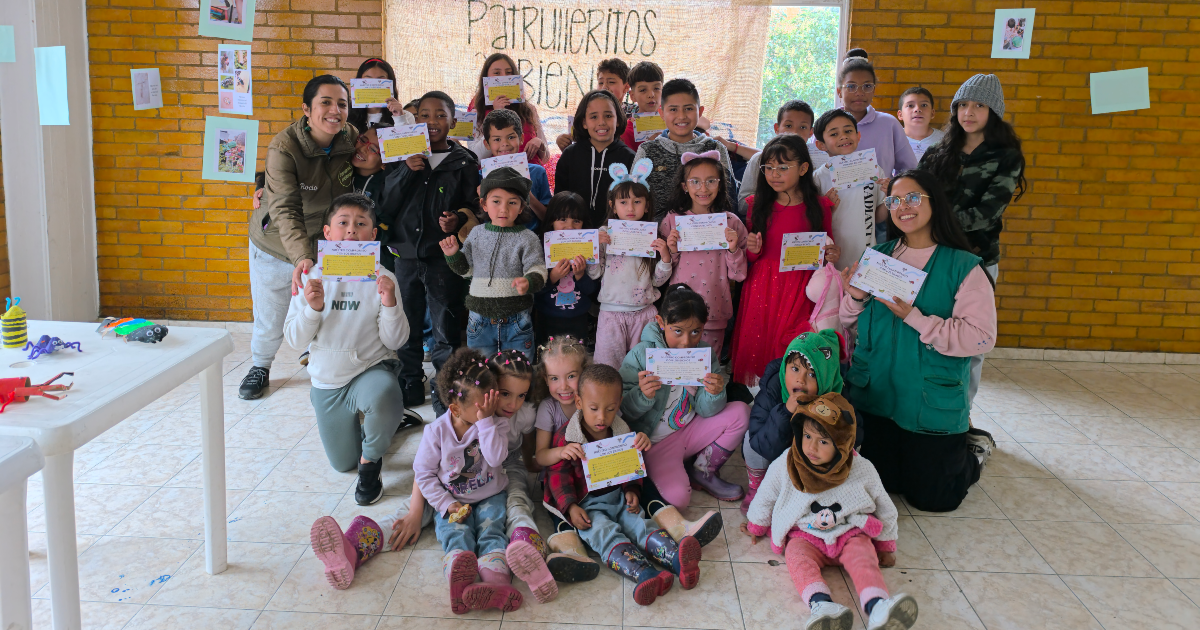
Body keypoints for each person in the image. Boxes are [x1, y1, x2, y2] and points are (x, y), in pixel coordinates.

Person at [839, 170, 998, 513]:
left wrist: (915, 317)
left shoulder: (964, 266)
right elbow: (849, 324)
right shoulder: (878, 255)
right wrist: (854, 297)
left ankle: (971, 455)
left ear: (934, 202)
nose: (902, 207)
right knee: (886, 486)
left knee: (934, 499)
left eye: (913, 197)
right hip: (877, 399)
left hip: (930, 404)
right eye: (894, 200)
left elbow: (981, 337)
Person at [283, 192, 420, 499]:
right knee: (342, 464)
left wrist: (390, 303)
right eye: (343, 223)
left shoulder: (383, 278)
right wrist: (312, 309)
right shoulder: (310, 278)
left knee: (384, 394)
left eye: (360, 224)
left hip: (371, 369)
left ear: (373, 236)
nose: (351, 230)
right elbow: (293, 340)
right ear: (328, 233)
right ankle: (382, 426)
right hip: (328, 379)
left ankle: (372, 462)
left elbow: (396, 341)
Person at [740, 393, 917, 630]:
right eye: (807, 436)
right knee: (797, 560)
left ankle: (878, 607)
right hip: (805, 535)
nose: (811, 447)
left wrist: (886, 545)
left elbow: (885, 506)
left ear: (843, 443)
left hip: (849, 533)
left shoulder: (861, 468)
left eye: (824, 441)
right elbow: (767, 494)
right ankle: (822, 605)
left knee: (864, 558)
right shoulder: (788, 462)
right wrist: (757, 525)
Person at [543, 363, 701, 605]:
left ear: (619, 403)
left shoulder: (621, 429)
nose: (601, 417)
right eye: (594, 408)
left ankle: (677, 559)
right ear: (578, 403)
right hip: (588, 505)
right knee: (603, 532)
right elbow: (557, 478)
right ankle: (645, 573)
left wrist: (632, 490)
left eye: (610, 409)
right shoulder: (567, 438)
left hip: (617, 496)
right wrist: (571, 507)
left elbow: (631, 468)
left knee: (640, 523)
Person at [243, 75, 357, 400]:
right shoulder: (284, 147)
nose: (335, 111)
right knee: (272, 314)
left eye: (342, 104)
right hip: (277, 245)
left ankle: (315, 356)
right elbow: (285, 209)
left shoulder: (350, 138)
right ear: (306, 109)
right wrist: (301, 257)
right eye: (325, 102)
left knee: (323, 307)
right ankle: (260, 366)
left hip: (326, 245)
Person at [917, 73, 1026, 408]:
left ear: (993, 111)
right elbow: (917, 197)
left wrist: (933, 224)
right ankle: (926, 408)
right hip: (932, 257)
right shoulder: (937, 152)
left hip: (976, 260)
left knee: (971, 342)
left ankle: (960, 415)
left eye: (978, 105)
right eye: (963, 104)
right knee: (928, 334)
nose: (969, 112)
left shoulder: (1006, 156)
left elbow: (987, 213)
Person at [378, 90, 480, 415]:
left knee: (444, 330)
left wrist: (458, 219)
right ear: (415, 119)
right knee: (406, 325)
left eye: (440, 115)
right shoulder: (401, 152)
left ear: (453, 121)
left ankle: (443, 396)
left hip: (442, 259)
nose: (432, 121)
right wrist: (407, 169)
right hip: (404, 255)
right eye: (424, 115)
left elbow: (475, 205)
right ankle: (410, 383)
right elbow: (385, 204)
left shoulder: (464, 161)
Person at [619, 284, 750, 506]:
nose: (687, 341)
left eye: (695, 331)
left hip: (690, 430)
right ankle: (673, 468)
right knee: (678, 500)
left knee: (741, 412)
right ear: (661, 323)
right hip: (656, 442)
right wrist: (642, 395)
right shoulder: (642, 354)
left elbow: (707, 411)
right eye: (677, 330)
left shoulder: (705, 354)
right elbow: (622, 412)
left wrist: (714, 393)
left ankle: (703, 469)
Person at [414, 348, 522, 613]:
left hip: (490, 494)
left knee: (491, 531)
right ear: (455, 408)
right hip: (453, 500)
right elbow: (424, 474)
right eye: (480, 407)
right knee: (455, 534)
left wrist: (485, 423)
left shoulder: (495, 424)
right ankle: (459, 585)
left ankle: (496, 583)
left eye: (491, 402)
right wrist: (445, 503)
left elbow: (496, 460)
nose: (489, 410)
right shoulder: (436, 432)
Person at [730, 134, 837, 386]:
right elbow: (752, 257)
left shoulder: (819, 206)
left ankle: (790, 391)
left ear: (803, 169)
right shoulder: (757, 204)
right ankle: (759, 396)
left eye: (782, 167)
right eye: (768, 168)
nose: (774, 174)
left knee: (792, 343)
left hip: (801, 286)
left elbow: (827, 246)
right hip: (763, 286)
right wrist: (753, 249)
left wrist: (832, 253)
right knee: (760, 341)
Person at [442, 166, 546, 360]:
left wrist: (529, 281)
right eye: (496, 201)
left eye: (512, 202)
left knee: (519, 372)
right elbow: (466, 270)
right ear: (484, 204)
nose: (503, 209)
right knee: (481, 374)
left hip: (517, 320)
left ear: (522, 207)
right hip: (479, 320)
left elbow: (537, 268)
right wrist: (453, 255)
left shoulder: (527, 238)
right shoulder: (477, 233)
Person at [741, 330, 845, 513]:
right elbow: (759, 443)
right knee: (750, 440)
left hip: (811, 464)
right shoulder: (773, 388)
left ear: (826, 378)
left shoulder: (837, 396)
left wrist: (822, 418)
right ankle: (757, 489)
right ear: (784, 368)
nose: (801, 380)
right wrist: (785, 412)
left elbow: (853, 438)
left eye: (812, 374)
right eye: (795, 369)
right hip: (776, 453)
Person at [662, 152, 747, 359]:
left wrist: (733, 249)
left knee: (709, 370)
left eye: (710, 181)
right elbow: (662, 273)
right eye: (695, 182)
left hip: (715, 311)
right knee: (680, 367)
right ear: (685, 186)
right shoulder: (672, 220)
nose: (703, 188)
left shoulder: (731, 222)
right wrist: (671, 251)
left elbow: (739, 275)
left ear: (720, 184)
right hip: (679, 313)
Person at [592, 161, 674, 368]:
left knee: (644, 366)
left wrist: (665, 256)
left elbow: (657, 280)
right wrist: (593, 249)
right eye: (623, 202)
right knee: (608, 366)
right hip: (611, 313)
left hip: (644, 312)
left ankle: (640, 400)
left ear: (646, 205)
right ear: (612, 205)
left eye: (637, 202)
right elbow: (595, 274)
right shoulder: (603, 234)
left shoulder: (652, 236)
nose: (630, 208)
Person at [634, 78, 734, 218]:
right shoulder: (647, 151)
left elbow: (729, 198)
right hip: (656, 236)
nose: (681, 116)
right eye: (673, 109)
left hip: (706, 234)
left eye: (688, 109)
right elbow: (632, 199)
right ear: (661, 113)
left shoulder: (715, 149)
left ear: (700, 111)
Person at [812, 108, 883, 270]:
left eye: (848, 131)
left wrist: (889, 196)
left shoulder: (874, 171)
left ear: (858, 136)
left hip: (866, 260)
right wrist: (827, 207)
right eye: (834, 134)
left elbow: (878, 217)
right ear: (820, 145)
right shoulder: (817, 178)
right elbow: (812, 223)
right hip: (831, 262)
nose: (843, 136)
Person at [554, 89, 636, 227]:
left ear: (618, 120)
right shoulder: (570, 155)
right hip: (575, 234)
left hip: (615, 235)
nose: (602, 122)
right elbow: (559, 200)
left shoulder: (629, 158)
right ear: (583, 122)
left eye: (608, 116)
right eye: (594, 117)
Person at [837, 49, 917, 181]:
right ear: (839, 92)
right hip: (836, 201)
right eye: (851, 86)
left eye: (867, 86)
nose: (859, 92)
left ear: (874, 90)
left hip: (880, 200)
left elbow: (910, 170)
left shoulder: (889, 124)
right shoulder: (826, 125)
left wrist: (892, 186)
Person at [533, 192, 600, 348]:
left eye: (576, 221)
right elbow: (534, 289)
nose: (569, 227)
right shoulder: (540, 247)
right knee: (547, 360)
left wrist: (580, 275)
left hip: (578, 318)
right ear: (551, 221)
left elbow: (592, 290)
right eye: (562, 219)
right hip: (547, 317)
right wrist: (552, 277)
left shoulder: (588, 250)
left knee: (576, 359)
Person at [739, 100, 816, 215]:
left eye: (803, 127)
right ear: (776, 128)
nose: (794, 132)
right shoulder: (759, 160)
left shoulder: (816, 161)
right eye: (788, 125)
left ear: (811, 132)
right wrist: (778, 199)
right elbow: (742, 205)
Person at [469, 53, 548, 165]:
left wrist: (539, 143)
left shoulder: (529, 110)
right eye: (497, 73)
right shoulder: (476, 112)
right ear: (485, 78)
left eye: (508, 72)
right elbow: (475, 158)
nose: (503, 77)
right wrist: (496, 114)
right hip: (494, 178)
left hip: (529, 176)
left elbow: (545, 158)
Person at [481, 108, 552, 226]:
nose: (505, 144)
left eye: (511, 137)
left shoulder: (537, 172)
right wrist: (482, 194)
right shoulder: (481, 176)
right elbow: (480, 220)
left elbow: (547, 218)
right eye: (497, 139)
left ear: (521, 139)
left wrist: (528, 194)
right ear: (487, 144)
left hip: (530, 240)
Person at [556, 58, 634, 150]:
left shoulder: (635, 113)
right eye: (601, 82)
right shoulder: (587, 111)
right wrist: (563, 141)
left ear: (626, 87)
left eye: (611, 82)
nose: (604, 87)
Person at [346, 58, 415, 133]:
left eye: (381, 80)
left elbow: (406, 143)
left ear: (391, 83)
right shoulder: (346, 115)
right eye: (367, 80)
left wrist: (399, 118)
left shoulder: (406, 116)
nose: (374, 86)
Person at [619, 61, 665, 152]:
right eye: (643, 90)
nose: (651, 95)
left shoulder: (672, 123)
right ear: (632, 96)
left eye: (656, 88)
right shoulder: (627, 131)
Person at [897, 87, 944, 163]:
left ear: (932, 113)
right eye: (910, 105)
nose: (917, 109)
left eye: (924, 105)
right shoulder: (891, 141)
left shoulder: (945, 141)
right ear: (900, 114)